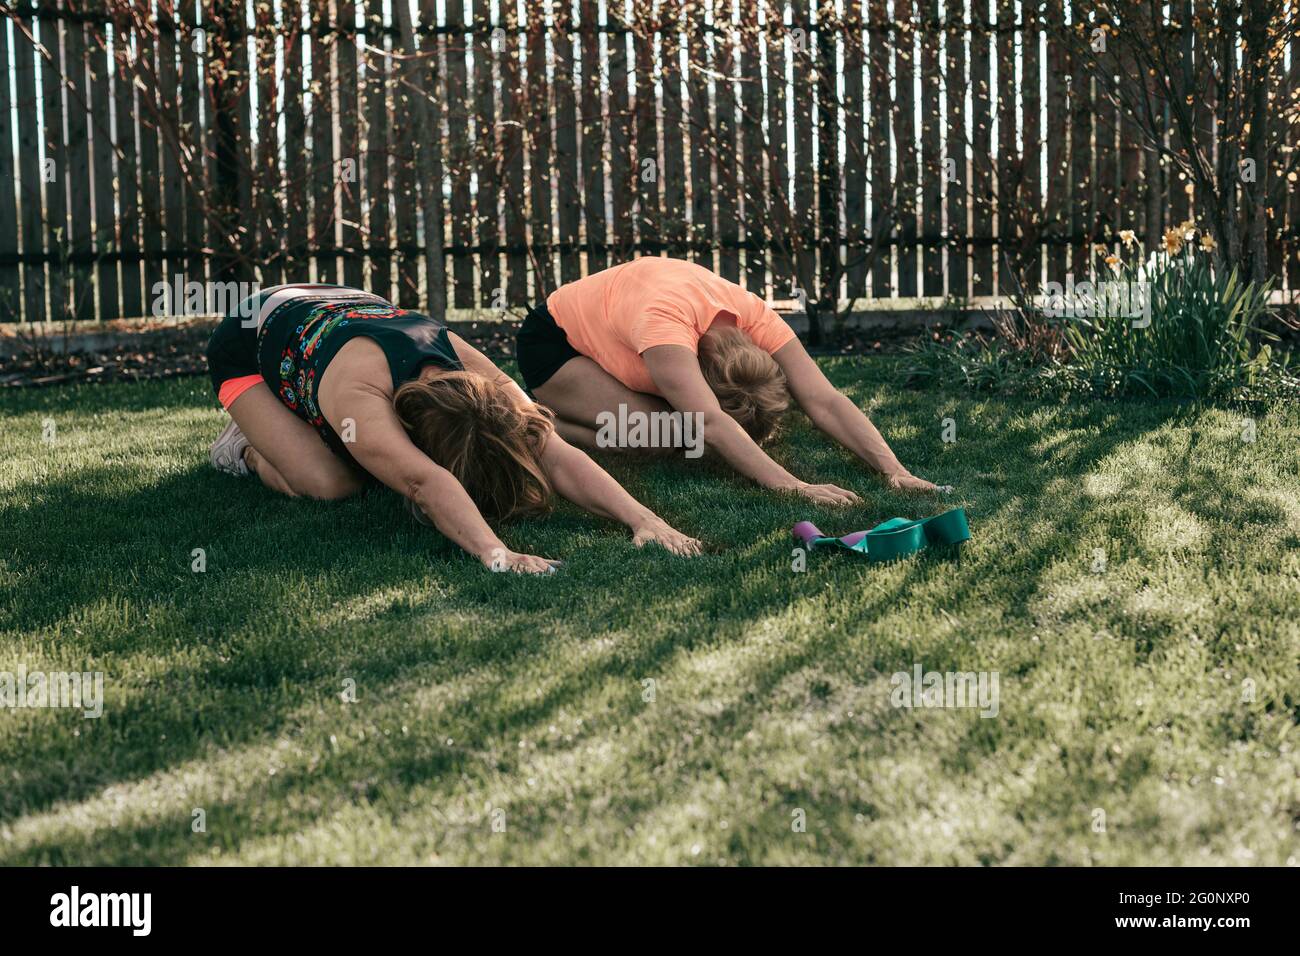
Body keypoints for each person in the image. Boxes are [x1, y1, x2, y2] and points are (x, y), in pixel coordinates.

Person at [205, 284, 701, 573]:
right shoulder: (360, 395)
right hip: (249, 336)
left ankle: (303, 425)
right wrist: (498, 554)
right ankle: (246, 442)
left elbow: (548, 442)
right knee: (332, 483)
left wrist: (645, 520)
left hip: (346, 301)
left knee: (370, 456)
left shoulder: (464, 360)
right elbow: (426, 481)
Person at [514, 257, 943, 506]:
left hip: (619, 326)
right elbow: (710, 423)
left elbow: (824, 399)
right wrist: (793, 485)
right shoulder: (665, 329)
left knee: (686, 431)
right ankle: (536, 417)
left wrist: (893, 470)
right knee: (662, 435)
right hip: (557, 344)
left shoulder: (755, 316)